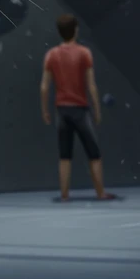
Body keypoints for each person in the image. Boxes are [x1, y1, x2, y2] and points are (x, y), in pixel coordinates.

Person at [40, 14, 115, 202]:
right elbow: (91, 85)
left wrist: (45, 110)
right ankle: (100, 192)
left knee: (65, 155)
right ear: (75, 30)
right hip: (80, 109)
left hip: (61, 110)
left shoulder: (52, 55)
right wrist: (97, 109)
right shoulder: (84, 53)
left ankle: (64, 194)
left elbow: (44, 86)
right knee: (94, 153)